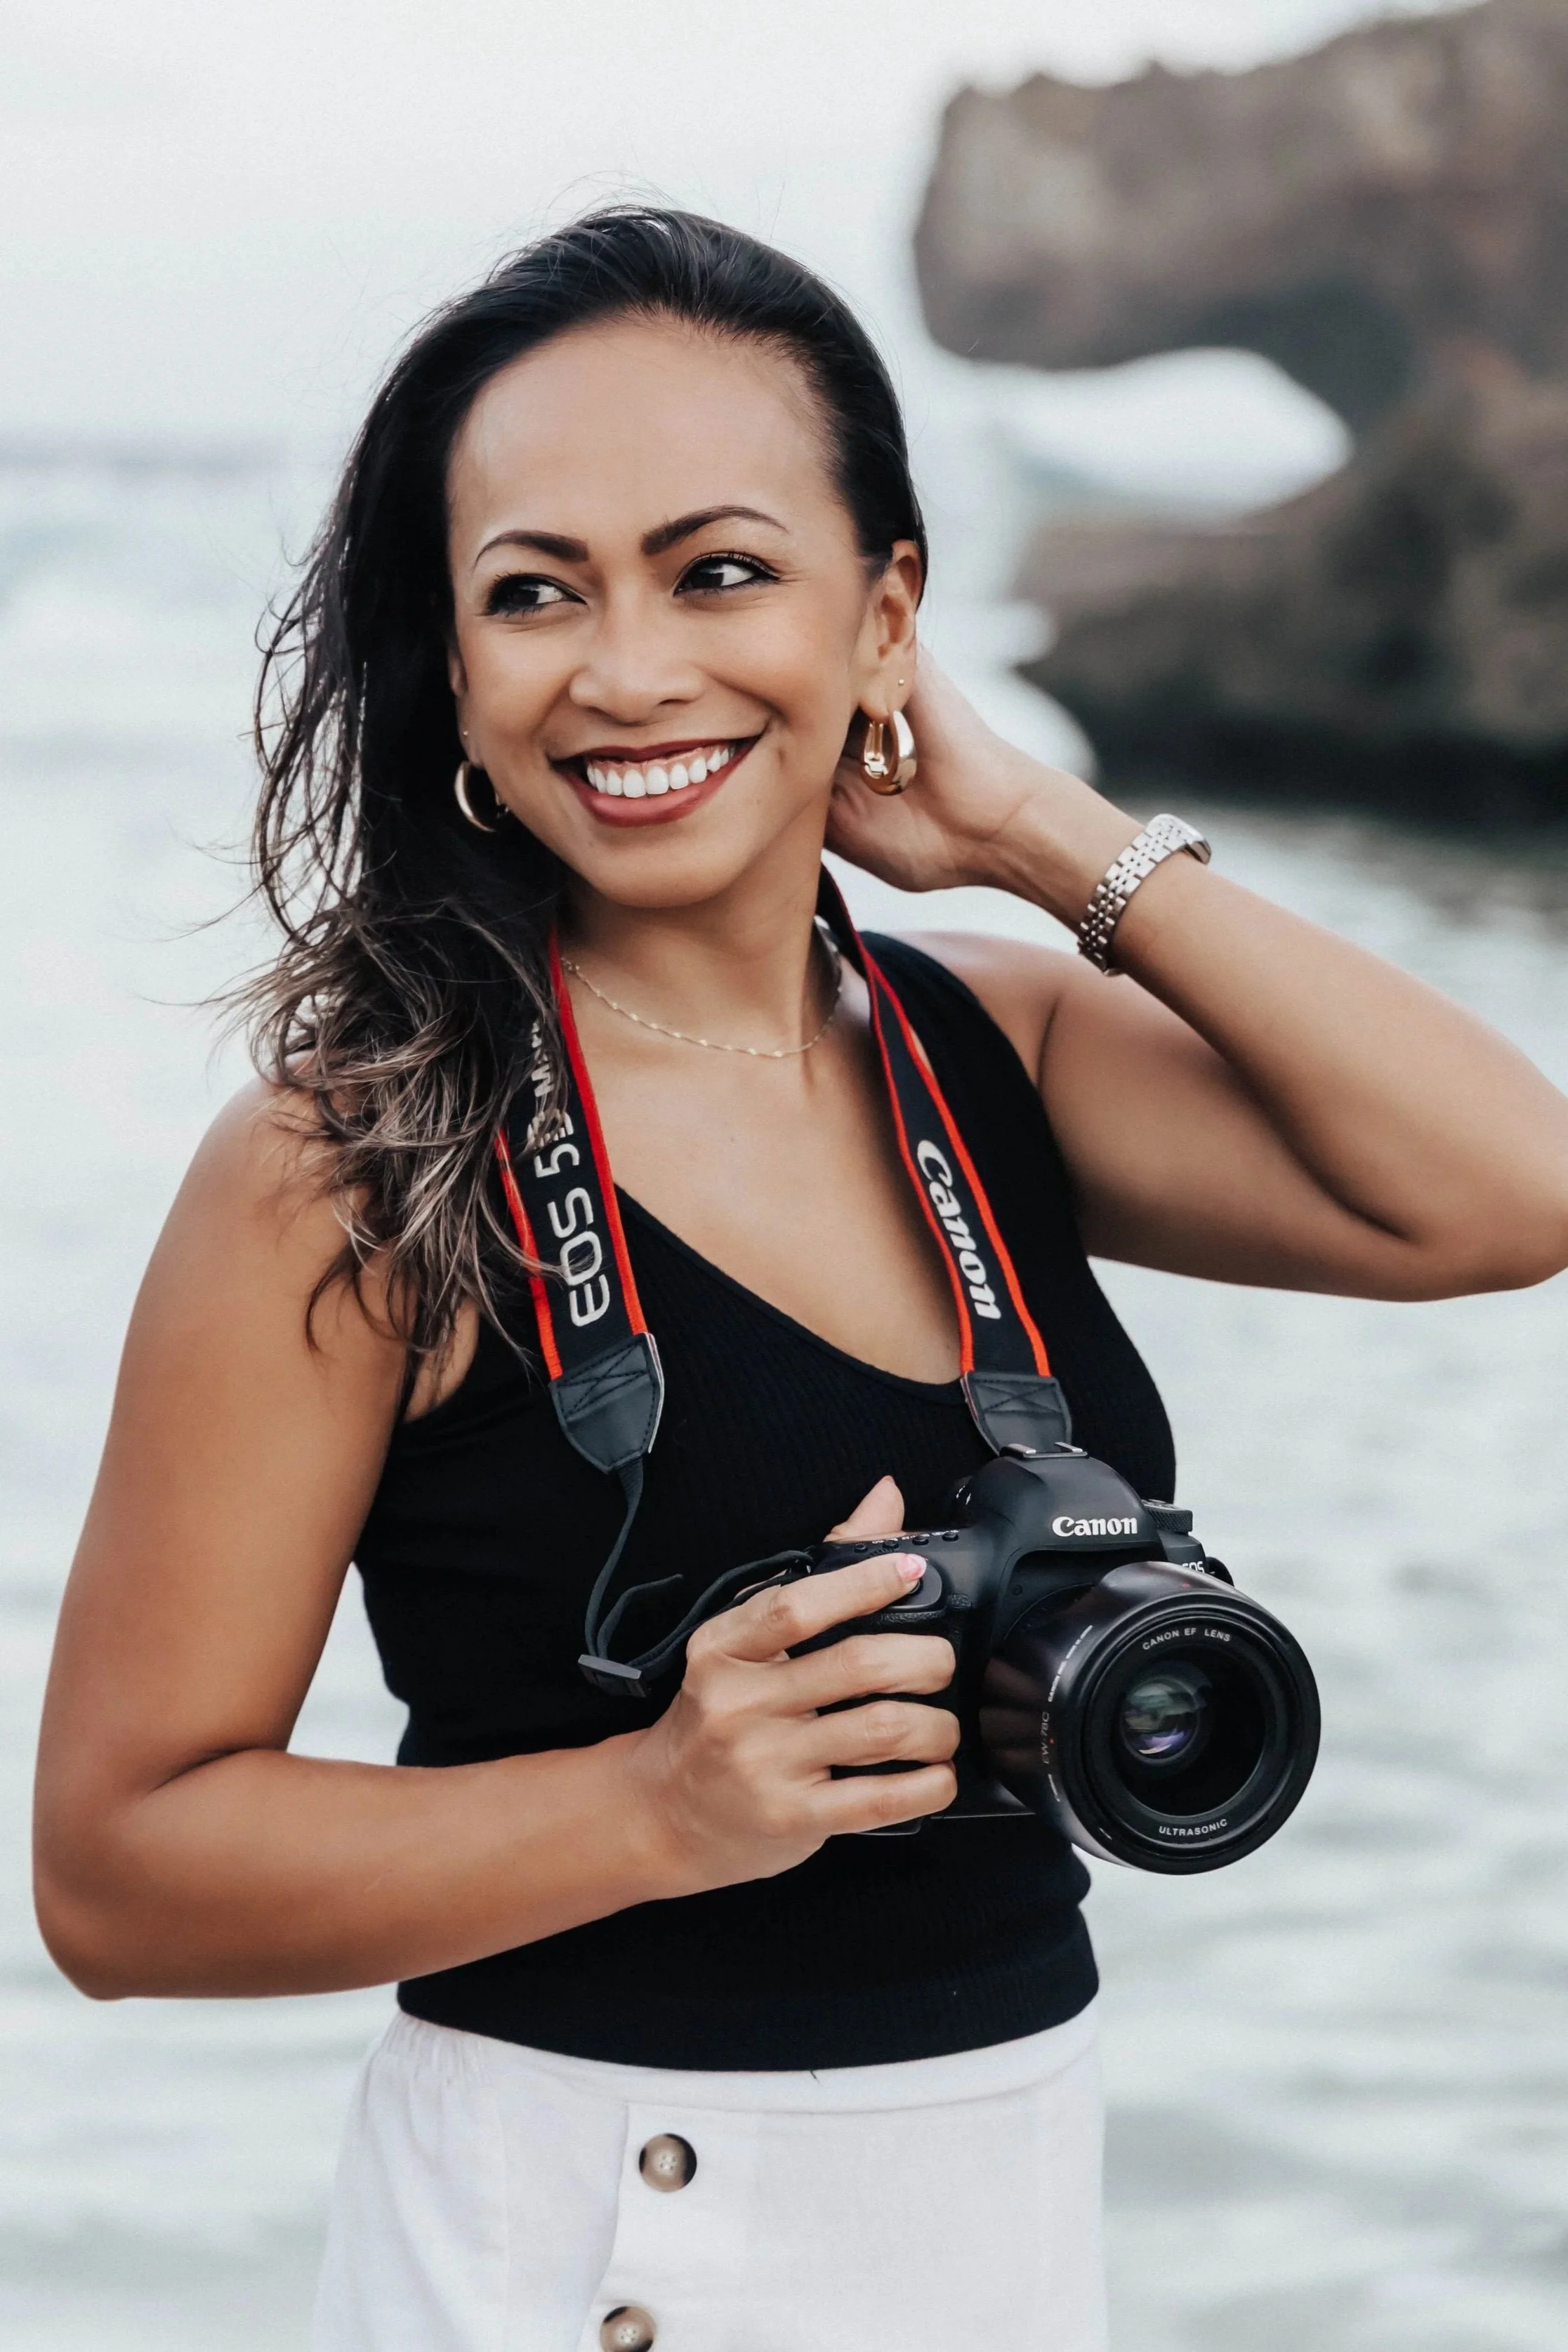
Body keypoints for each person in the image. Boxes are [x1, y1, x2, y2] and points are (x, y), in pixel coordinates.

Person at [32, 209, 1568, 2352]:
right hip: (588, 2247)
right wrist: (655, 1805)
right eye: (534, 592)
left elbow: (1510, 1186)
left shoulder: (996, 1048)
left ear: (887, 614)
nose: (631, 667)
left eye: (721, 568)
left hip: (1007, 2206)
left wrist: (1038, 827)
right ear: (457, 669)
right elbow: (115, 1874)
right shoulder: (350, 1158)